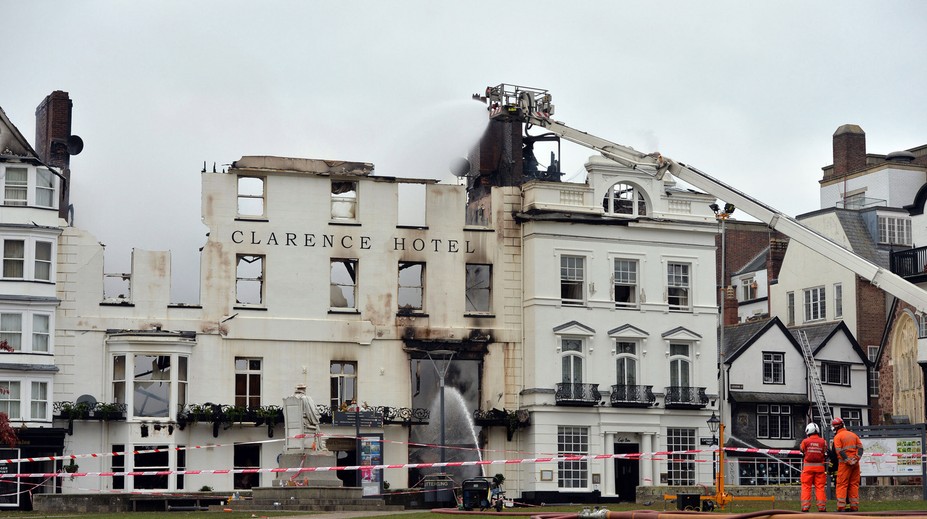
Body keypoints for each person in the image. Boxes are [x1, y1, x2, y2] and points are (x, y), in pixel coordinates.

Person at [831, 417, 863, 512]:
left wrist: (848, 460)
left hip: (845, 464)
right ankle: (854, 506)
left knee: (842, 484)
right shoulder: (853, 435)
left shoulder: (837, 437)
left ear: (835, 427)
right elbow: (860, 448)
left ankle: (841, 507)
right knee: (854, 484)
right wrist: (856, 459)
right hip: (855, 464)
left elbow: (839, 451)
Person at [799, 423, 828, 513]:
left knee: (806, 487)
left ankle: (805, 507)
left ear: (808, 431)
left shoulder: (805, 441)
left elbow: (801, 450)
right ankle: (822, 507)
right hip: (820, 469)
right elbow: (825, 452)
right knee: (820, 488)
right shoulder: (823, 441)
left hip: (808, 469)